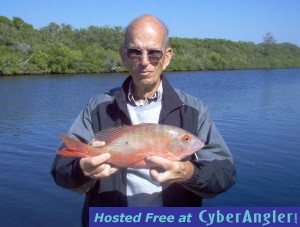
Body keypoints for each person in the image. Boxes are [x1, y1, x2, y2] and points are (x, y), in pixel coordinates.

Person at [51, 14, 236, 226]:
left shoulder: (194, 110)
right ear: (123, 55)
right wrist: (82, 169)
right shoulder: (98, 107)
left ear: (167, 57)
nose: (144, 61)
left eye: (154, 53)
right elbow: (60, 167)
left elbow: (225, 174)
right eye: (135, 52)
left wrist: (188, 172)